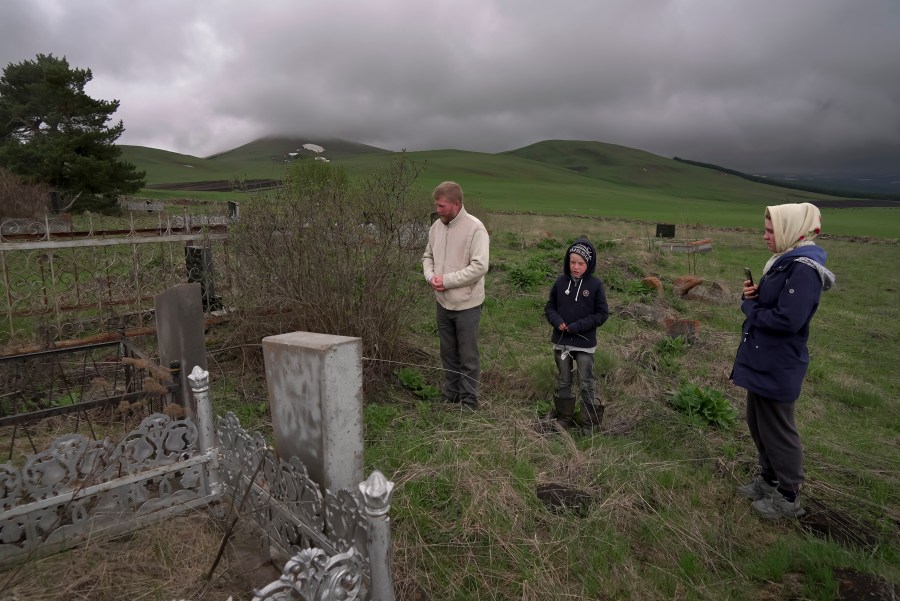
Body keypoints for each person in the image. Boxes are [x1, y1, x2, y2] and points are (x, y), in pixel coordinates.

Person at [732, 203, 835, 520]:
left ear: (792, 231)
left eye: (771, 230)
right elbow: (776, 305)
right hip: (763, 358)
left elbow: (788, 320)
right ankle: (768, 479)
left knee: (778, 429)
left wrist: (750, 310)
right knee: (759, 424)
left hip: (778, 363)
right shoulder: (782, 263)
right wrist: (755, 296)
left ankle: (788, 497)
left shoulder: (803, 269)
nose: (765, 236)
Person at [422, 181, 490, 409]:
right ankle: (451, 394)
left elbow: (480, 267)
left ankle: (469, 401)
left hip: (467, 305)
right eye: (437, 206)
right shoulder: (436, 227)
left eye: (442, 206)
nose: (438, 210)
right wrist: (431, 277)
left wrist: (447, 281)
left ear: (456, 204)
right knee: (448, 352)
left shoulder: (475, 228)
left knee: (468, 356)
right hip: (442, 303)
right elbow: (427, 257)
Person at [544, 238, 609, 431]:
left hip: (584, 343)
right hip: (561, 341)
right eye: (572, 262)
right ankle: (565, 418)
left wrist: (578, 326)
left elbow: (602, 314)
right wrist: (557, 321)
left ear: (588, 264)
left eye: (581, 263)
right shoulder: (560, 281)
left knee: (586, 382)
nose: (576, 267)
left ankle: (589, 424)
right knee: (564, 379)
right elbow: (550, 307)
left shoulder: (595, 285)